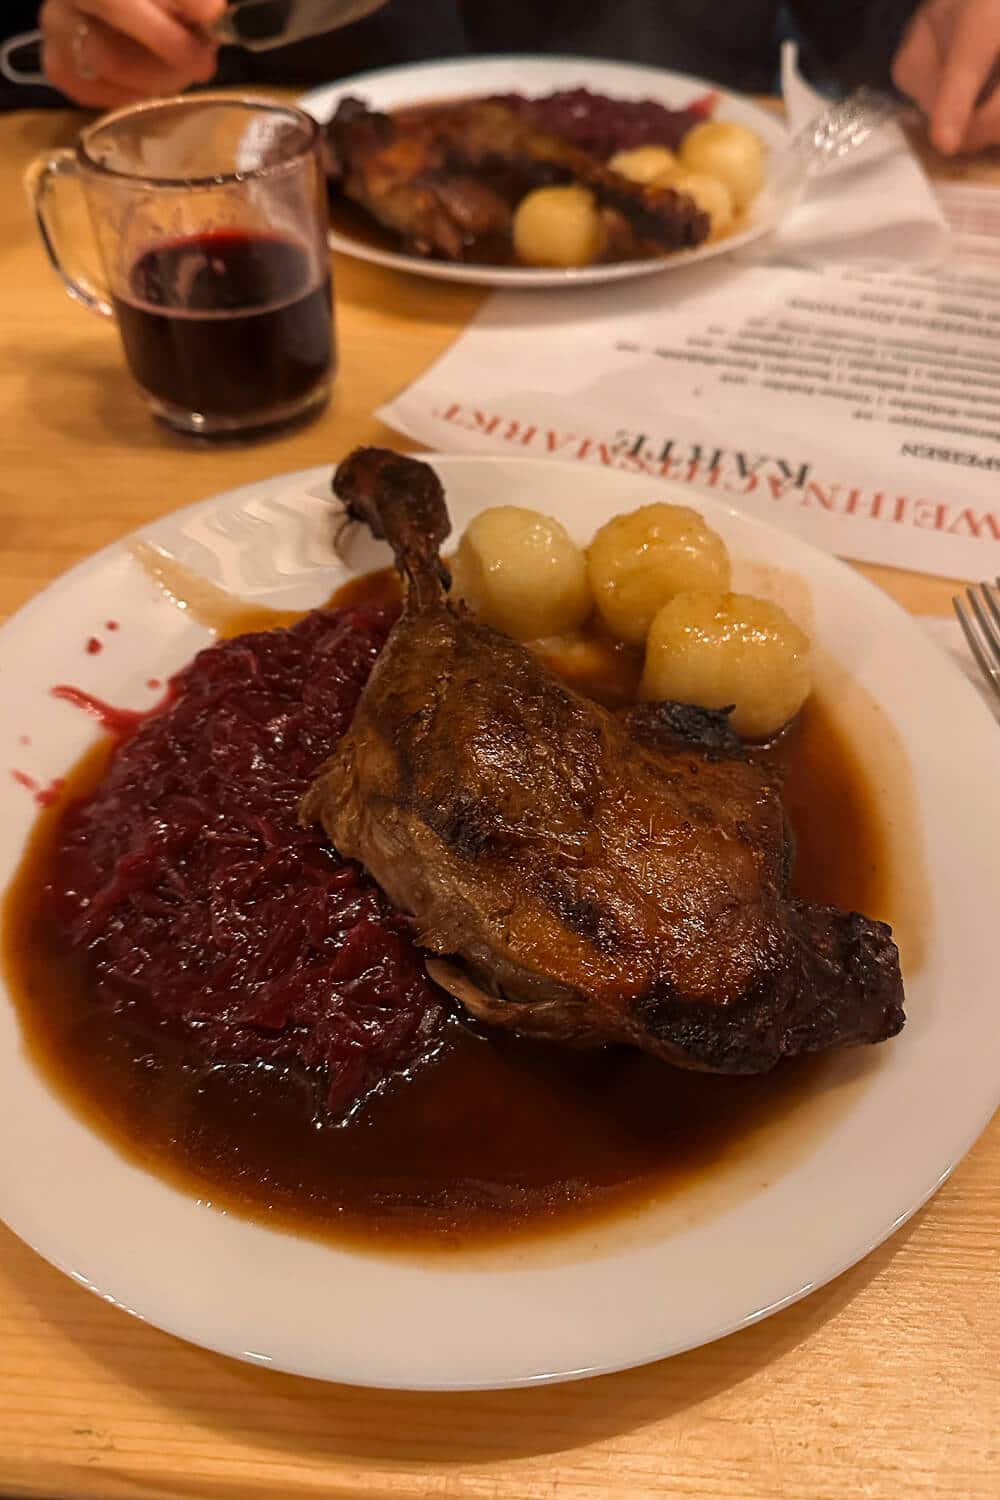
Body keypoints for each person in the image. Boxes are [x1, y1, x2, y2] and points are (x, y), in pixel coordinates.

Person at [18, 0, 1000, 153]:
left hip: (731, 298)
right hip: (315, 274)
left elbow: (878, 24)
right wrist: (80, 39)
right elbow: (43, 52)